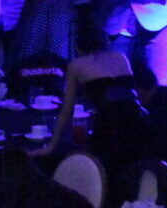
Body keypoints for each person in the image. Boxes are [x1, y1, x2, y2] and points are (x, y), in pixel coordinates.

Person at [35, 24, 135, 159]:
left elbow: (67, 110)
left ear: (78, 44)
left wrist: (51, 147)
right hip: (134, 120)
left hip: (108, 127)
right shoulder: (121, 57)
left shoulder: (77, 65)